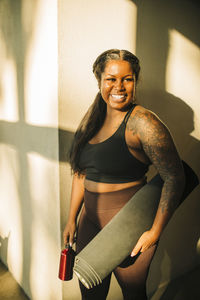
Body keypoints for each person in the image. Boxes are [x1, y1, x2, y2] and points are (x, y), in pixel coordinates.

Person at [63, 49, 185, 300]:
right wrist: (71, 218)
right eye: (111, 79)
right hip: (89, 220)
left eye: (127, 79)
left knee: (133, 294)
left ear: (135, 81)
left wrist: (155, 232)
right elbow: (81, 172)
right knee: (91, 294)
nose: (119, 86)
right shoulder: (92, 120)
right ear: (100, 81)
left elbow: (175, 177)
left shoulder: (143, 123)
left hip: (128, 223)